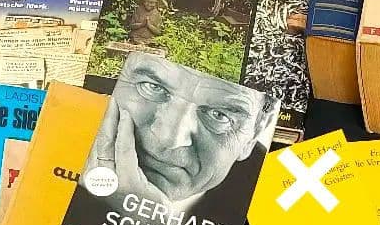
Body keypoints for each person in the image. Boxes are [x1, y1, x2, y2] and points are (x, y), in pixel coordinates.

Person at [83, 52, 280, 211]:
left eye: (219, 115)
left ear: (254, 134)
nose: (170, 140)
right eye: (152, 87)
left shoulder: (275, 202)